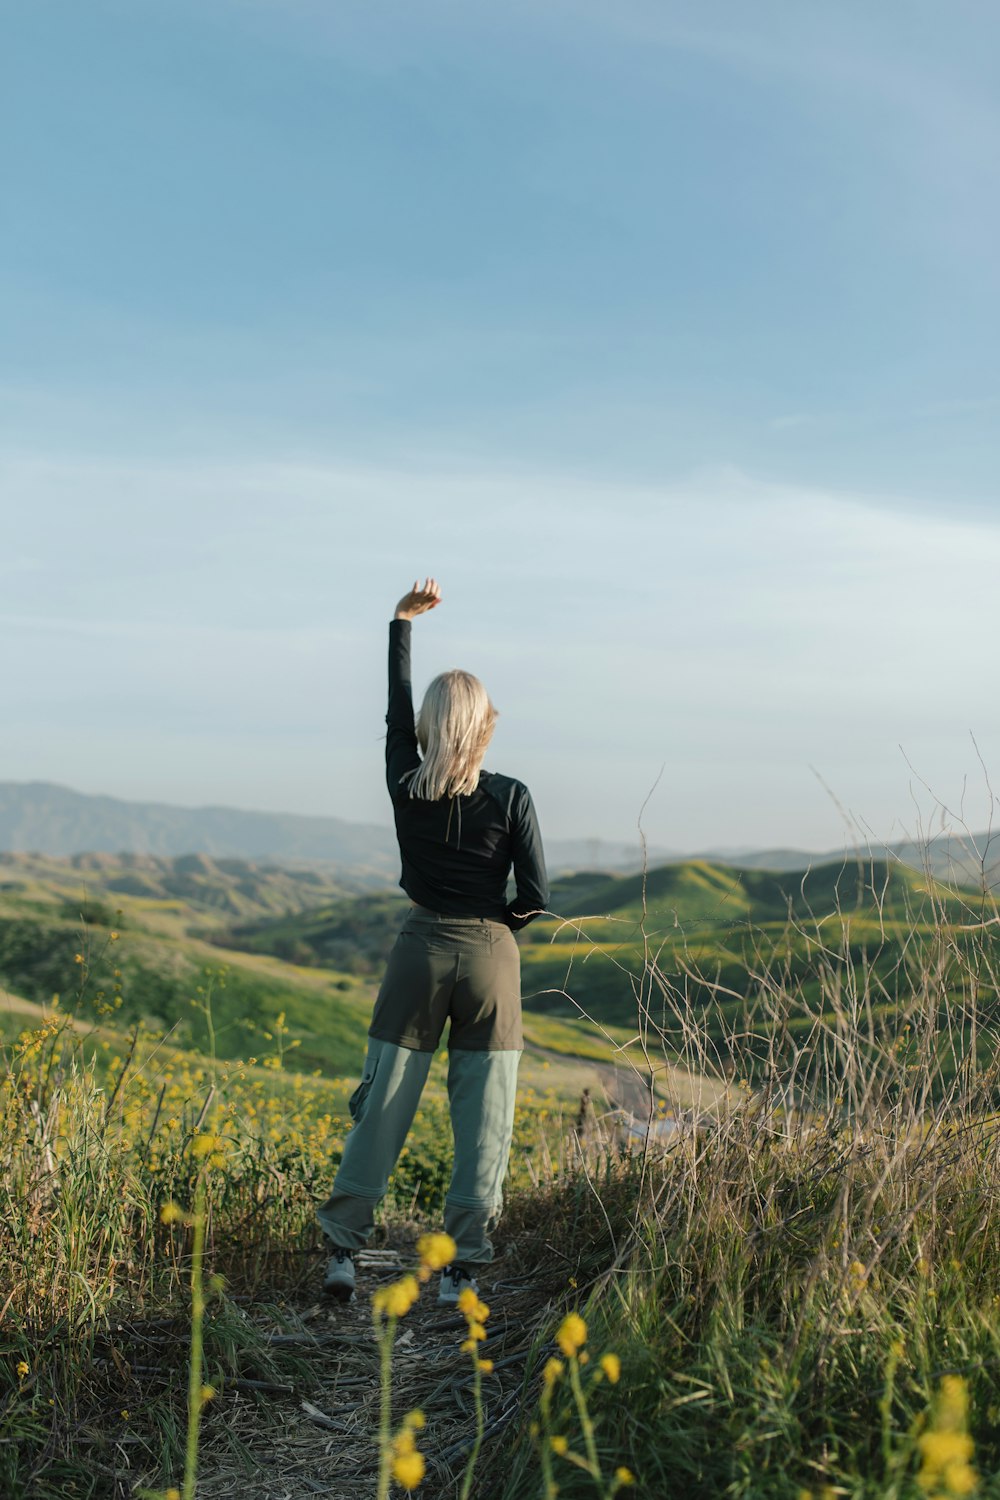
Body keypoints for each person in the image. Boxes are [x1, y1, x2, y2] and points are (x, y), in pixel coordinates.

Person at [317, 577, 549, 1304]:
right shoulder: (512, 796)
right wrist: (493, 933)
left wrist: (400, 624)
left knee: (384, 1101)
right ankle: (460, 1269)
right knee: (485, 1114)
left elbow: (393, 710)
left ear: (426, 726)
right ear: (484, 727)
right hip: (491, 958)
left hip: (418, 950)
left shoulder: (403, 781)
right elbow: (535, 898)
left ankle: (344, 1254)